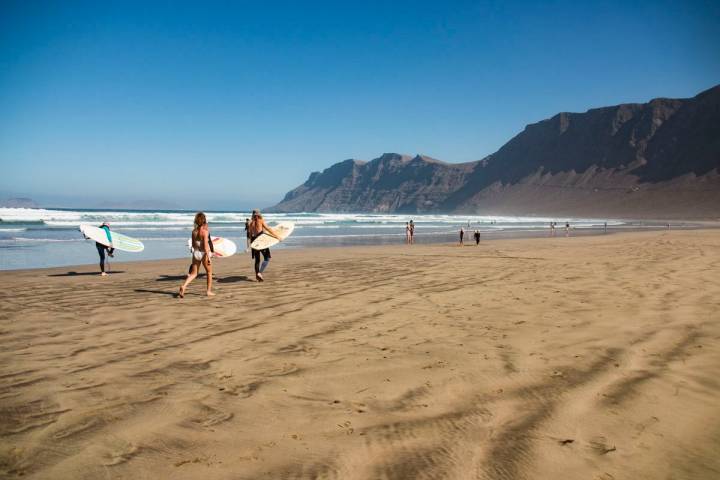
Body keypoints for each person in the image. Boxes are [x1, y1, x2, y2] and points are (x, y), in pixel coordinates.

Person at [179, 212, 214, 297]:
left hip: (196, 253)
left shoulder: (193, 231)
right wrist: (209, 257)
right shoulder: (205, 232)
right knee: (209, 272)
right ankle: (208, 291)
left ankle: (184, 286)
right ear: (204, 221)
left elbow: (194, 245)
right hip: (203, 254)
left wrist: (196, 251)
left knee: (194, 274)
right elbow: (206, 246)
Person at [247, 210, 281, 282]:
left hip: (254, 242)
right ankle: (260, 273)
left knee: (257, 260)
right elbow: (268, 229)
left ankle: (257, 276)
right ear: (258, 214)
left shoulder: (250, 223)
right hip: (261, 240)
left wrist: (251, 245)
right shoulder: (260, 220)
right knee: (267, 258)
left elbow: (250, 235)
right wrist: (277, 236)